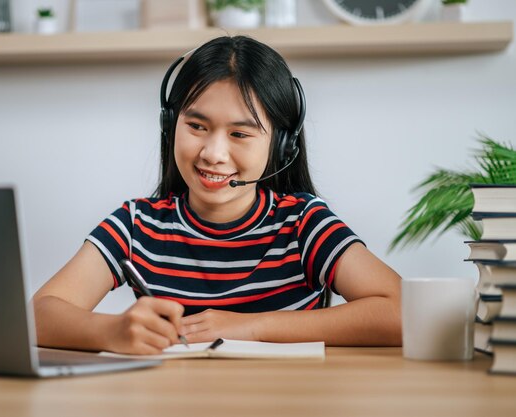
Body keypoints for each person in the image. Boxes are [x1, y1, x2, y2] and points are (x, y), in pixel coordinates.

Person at [32, 36, 402, 355]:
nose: (213, 153)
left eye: (239, 134)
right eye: (196, 126)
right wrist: (110, 332)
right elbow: (39, 313)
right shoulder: (136, 225)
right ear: (169, 125)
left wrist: (250, 328)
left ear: (282, 145)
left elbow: (402, 310)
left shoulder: (303, 223)